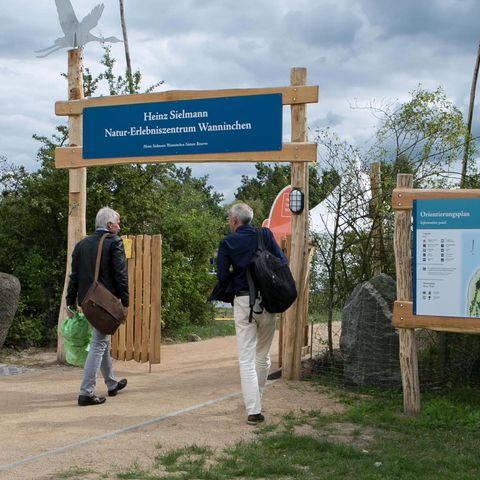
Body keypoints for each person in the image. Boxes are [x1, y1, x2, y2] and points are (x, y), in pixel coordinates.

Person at [216, 203, 288, 425]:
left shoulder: (227, 242)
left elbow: (221, 275)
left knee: (246, 359)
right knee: (263, 356)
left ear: (235, 221)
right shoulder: (265, 235)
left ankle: (253, 410)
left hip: (244, 302)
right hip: (268, 301)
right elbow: (282, 262)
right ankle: (256, 399)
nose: (229, 221)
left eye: (229, 218)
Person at [66, 207, 129, 406]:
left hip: (87, 301)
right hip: (105, 302)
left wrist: (70, 301)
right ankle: (86, 392)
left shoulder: (81, 245)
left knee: (102, 339)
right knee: (99, 343)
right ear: (110, 225)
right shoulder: (114, 242)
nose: (119, 226)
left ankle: (111, 383)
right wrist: (125, 302)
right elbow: (121, 275)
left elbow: (74, 276)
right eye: (117, 222)